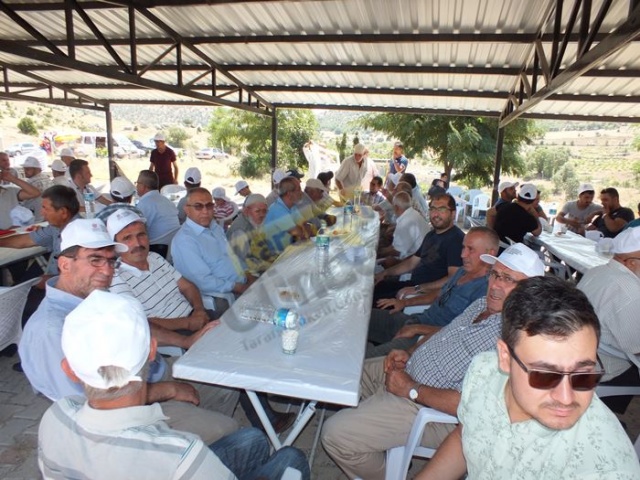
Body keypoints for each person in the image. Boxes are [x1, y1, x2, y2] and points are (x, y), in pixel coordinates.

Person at [321, 243, 545, 480]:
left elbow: (478, 407)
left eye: (508, 279)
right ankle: (380, 442)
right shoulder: (482, 304)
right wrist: (410, 352)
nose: (496, 284)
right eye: (495, 274)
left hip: (428, 409)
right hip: (407, 373)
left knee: (336, 435)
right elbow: (444, 333)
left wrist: (411, 389)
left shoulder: (517, 340)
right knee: (344, 379)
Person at [38, 290, 310, 480]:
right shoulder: (179, 454)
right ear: (152, 351)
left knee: (253, 439)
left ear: (69, 370)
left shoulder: (55, 416)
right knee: (290, 457)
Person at [19, 218, 239, 444]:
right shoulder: (50, 329)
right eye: (95, 260)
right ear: (65, 265)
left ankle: (201, 438)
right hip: (132, 411)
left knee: (226, 377)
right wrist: (168, 390)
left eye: (110, 261)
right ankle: (195, 448)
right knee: (231, 430)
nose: (107, 271)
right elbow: (90, 403)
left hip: (154, 373)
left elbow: (136, 327)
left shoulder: (94, 296)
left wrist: (186, 342)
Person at [417, 277, 640, 480]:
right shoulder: (483, 370)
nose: (566, 398)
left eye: (583, 375)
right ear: (505, 358)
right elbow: (465, 435)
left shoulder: (605, 468)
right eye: (544, 375)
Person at [107, 208, 296, 434]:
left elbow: (187, 286)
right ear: (115, 245)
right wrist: (187, 324)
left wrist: (198, 310)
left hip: (195, 317)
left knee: (252, 330)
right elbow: (141, 324)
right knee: (234, 353)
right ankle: (264, 418)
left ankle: (269, 387)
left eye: (141, 235)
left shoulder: (155, 259)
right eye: (127, 238)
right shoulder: (116, 277)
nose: (137, 243)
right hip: (173, 336)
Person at [367, 227, 500, 358]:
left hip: (426, 339)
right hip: (416, 320)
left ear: (490, 254)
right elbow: (439, 293)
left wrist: (417, 329)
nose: (463, 255)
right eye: (463, 247)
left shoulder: (486, 291)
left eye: (471, 249)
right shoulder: (462, 271)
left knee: (366, 362)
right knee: (362, 316)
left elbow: (462, 332)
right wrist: (404, 302)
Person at [577, 225, 640, 414]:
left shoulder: (597, 270)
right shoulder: (631, 293)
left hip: (581, 350)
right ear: (632, 262)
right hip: (602, 367)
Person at [373, 193, 464, 302]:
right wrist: (384, 273)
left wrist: (418, 289)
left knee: (371, 301)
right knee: (370, 288)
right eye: (433, 209)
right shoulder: (431, 235)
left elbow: (453, 278)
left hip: (423, 295)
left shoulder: (456, 240)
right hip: (412, 284)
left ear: (453, 214)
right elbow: (411, 263)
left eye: (442, 209)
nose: (436, 214)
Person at [172, 187, 250, 303]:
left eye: (209, 206)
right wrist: (239, 287)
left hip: (242, 282)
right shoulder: (185, 241)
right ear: (187, 210)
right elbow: (203, 281)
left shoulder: (214, 227)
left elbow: (231, 256)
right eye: (198, 206)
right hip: (225, 295)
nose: (205, 211)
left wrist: (248, 274)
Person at [0, 185, 80, 279]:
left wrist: (50, 280)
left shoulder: (79, 234)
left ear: (63, 212)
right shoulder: (55, 227)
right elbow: (26, 240)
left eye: (45, 208)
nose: (42, 213)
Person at [227, 194, 279, 275]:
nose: (262, 215)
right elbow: (246, 262)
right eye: (257, 211)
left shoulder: (253, 222)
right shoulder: (240, 231)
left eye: (264, 211)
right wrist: (270, 265)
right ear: (246, 211)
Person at [135, 169, 180, 257]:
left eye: (137, 183)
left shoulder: (145, 203)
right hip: (175, 248)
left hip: (157, 252)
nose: (136, 186)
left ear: (143, 186)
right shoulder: (167, 201)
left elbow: (138, 231)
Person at [377, 191, 430, 265]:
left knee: (381, 261)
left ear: (396, 207)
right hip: (422, 254)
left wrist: (378, 251)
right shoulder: (413, 213)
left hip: (416, 262)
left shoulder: (405, 221)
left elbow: (396, 251)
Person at [264, 176, 310, 254]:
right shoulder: (277, 209)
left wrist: (304, 229)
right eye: (298, 189)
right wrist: (303, 230)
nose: (301, 193)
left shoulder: (292, 206)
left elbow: (305, 224)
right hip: (275, 255)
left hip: (288, 250)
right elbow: (298, 232)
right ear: (289, 194)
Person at [20, 156, 52, 222]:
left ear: (37, 169)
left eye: (28, 169)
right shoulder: (48, 179)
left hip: (35, 217)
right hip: (49, 215)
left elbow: (21, 202)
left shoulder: (30, 183)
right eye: (24, 169)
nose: (25, 171)